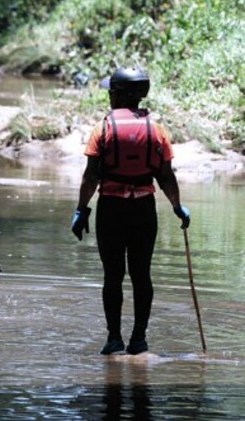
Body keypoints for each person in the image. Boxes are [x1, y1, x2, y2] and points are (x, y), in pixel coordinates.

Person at [71, 67, 190, 355]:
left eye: (111, 91)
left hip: (111, 209)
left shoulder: (103, 129)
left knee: (113, 275)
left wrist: (81, 210)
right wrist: (177, 207)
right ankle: (138, 339)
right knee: (142, 275)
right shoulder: (157, 130)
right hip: (143, 211)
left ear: (119, 95)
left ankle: (114, 339)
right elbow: (166, 176)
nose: (109, 96)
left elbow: (91, 177)